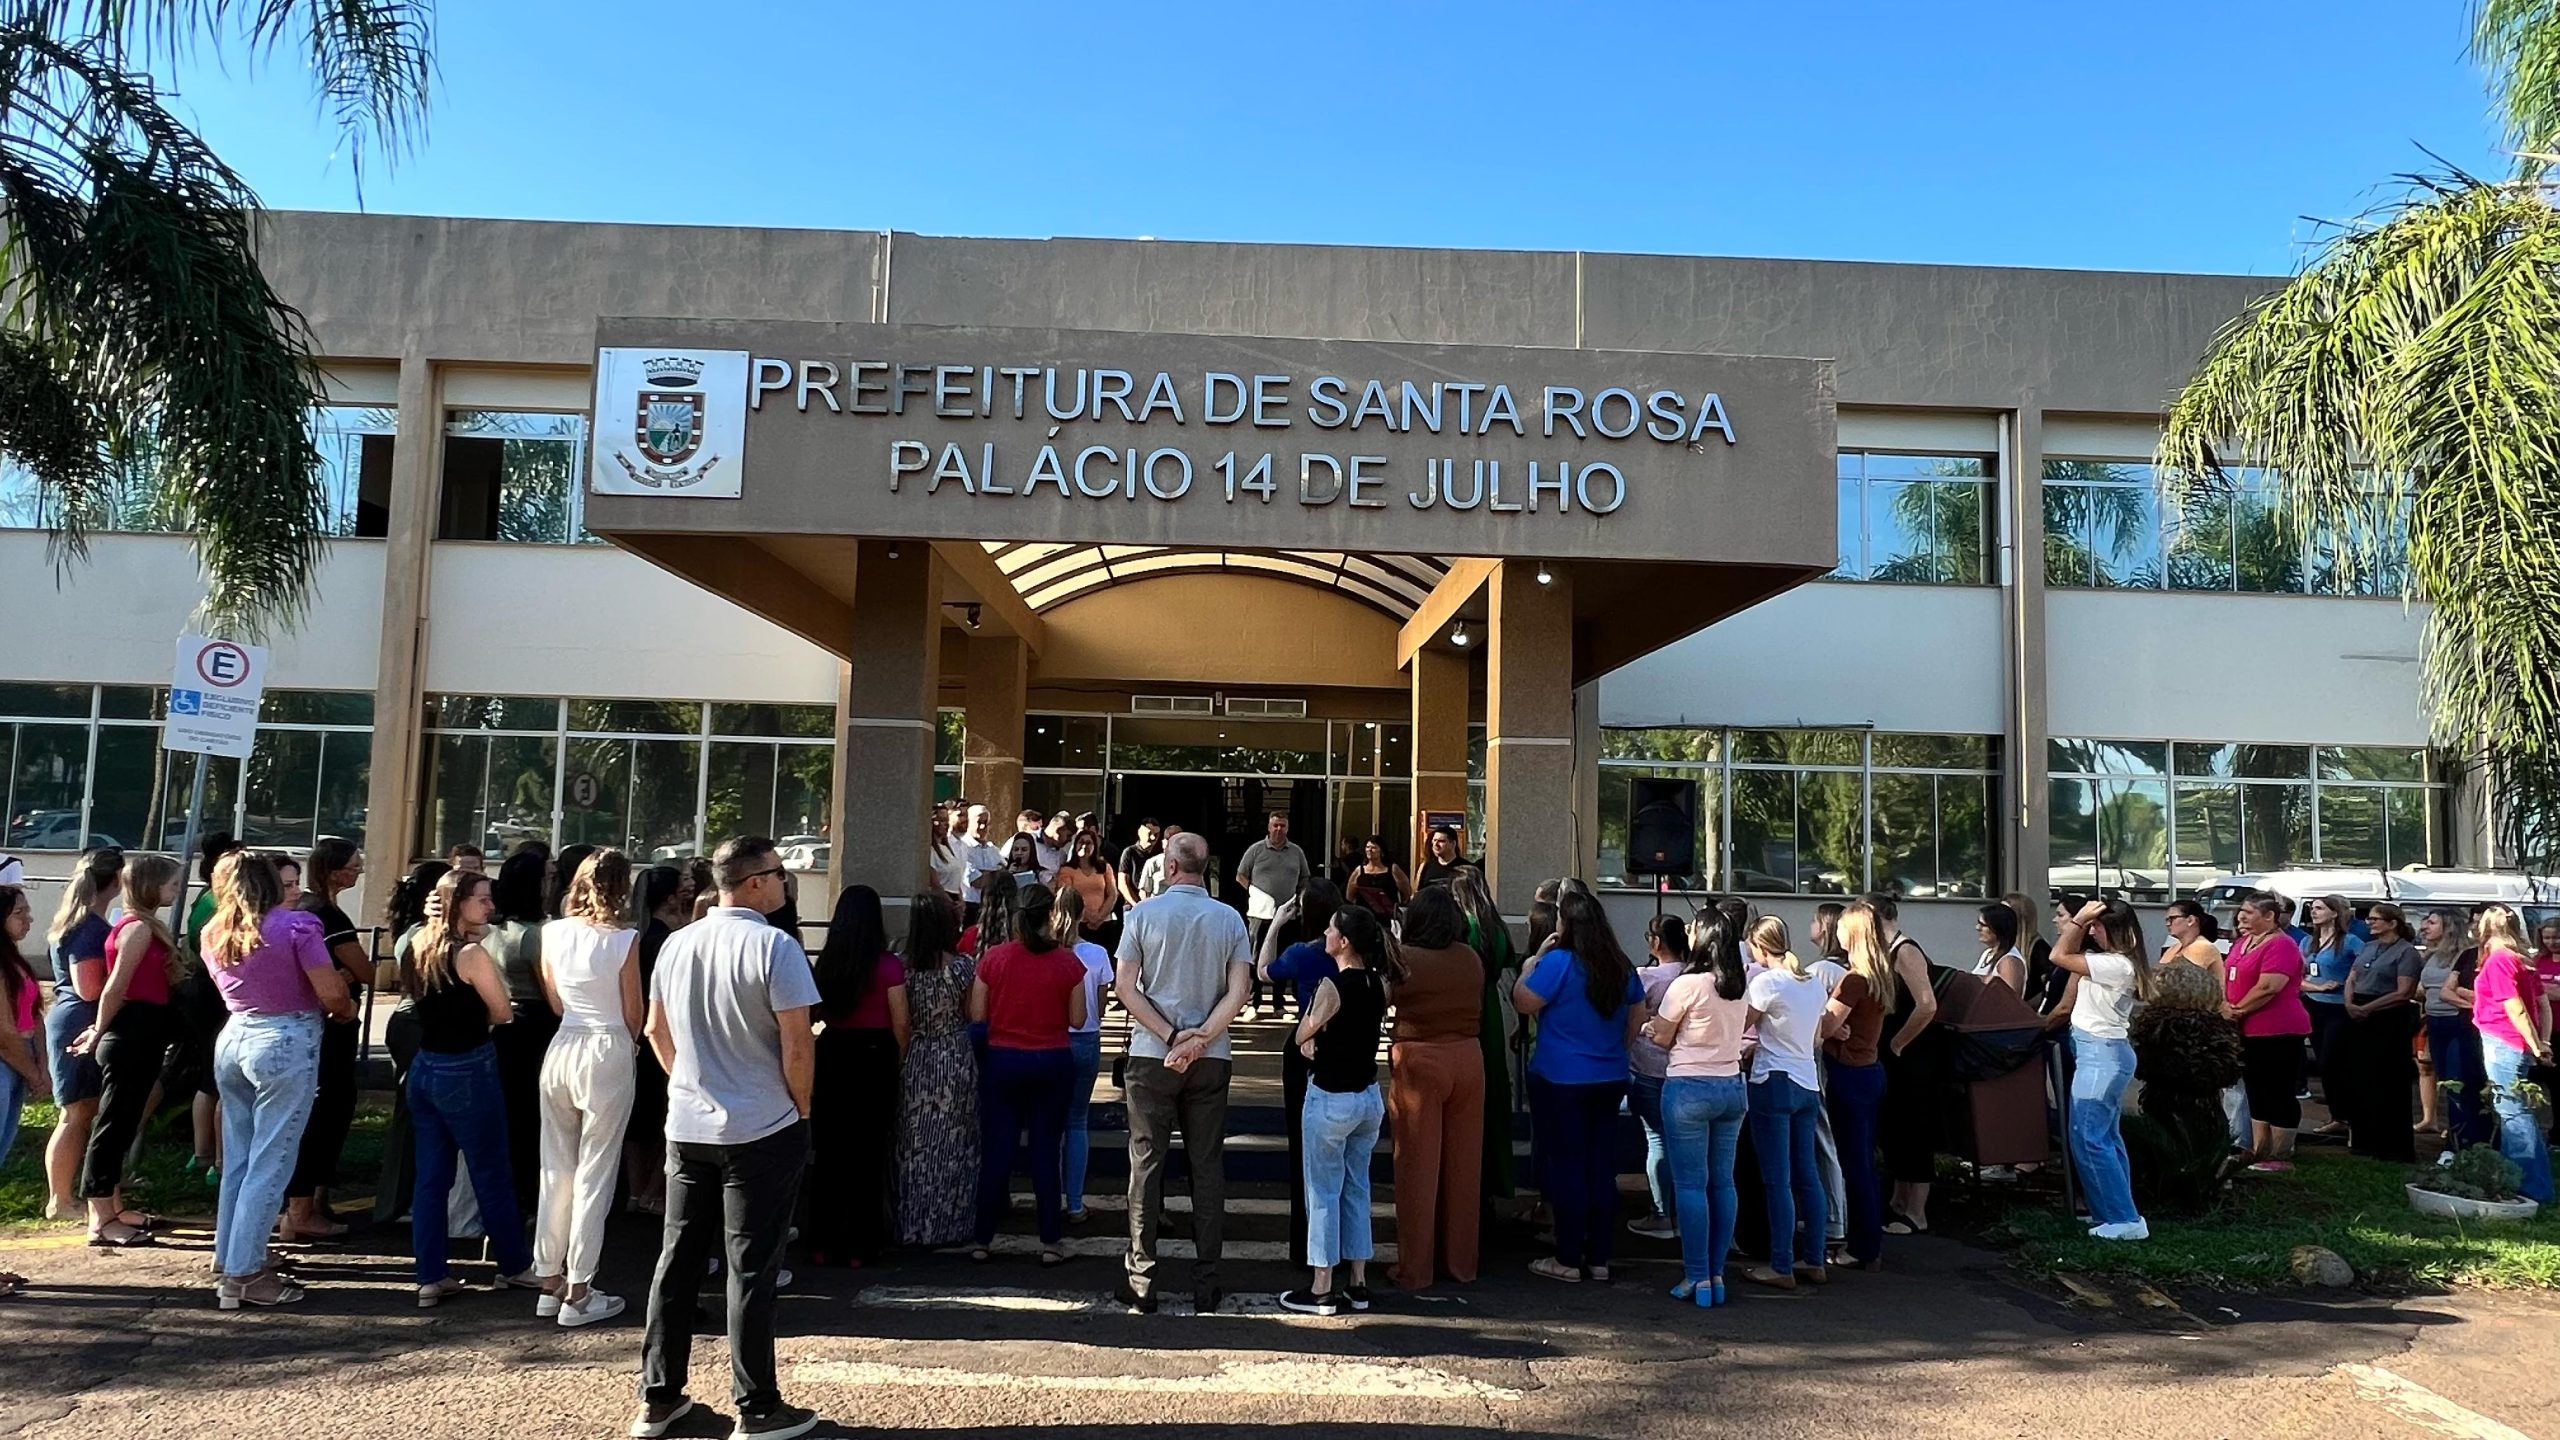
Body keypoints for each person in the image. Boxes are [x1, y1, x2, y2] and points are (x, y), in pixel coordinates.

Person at [637, 836, 822, 1440]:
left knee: (678, 1260)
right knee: (751, 1269)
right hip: (761, 1125)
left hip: (689, 1122)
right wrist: (800, 1108)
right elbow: (798, 1044)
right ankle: (757, 1405)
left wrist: (687, 1081)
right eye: (778, 873)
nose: (785, 882)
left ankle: (659, 1396)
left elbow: (655, 1029)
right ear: (754, 882)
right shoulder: (776, 946)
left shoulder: (677, 943)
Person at [202, 851, 355, 1309]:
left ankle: (231, 1256)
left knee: (240, 1159)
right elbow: (331, 992)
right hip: (286, 1038)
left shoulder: (215, 930)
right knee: (273, 1159)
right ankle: (245, 1273)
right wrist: (344, 1007)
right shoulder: (297, 927)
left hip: (235, 1035)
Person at [1113, 830, 1253, 1313]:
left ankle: (1141, 1278)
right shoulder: (1229, 918)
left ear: (1169, 867)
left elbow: (1125, 987)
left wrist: (1172, 1036)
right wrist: (1202, 1037)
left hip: (1153, 1053)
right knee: (1206, 1164)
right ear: (1205, 868)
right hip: (1211, 1056)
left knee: (1146, 1162)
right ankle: (1207, 1279)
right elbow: (1239, 990)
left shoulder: (1142, 915)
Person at [405, 867, 542, 1305]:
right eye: (482, 899)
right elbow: (503, 1012)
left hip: (425, 1066)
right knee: (491, 1171)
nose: (490, 906)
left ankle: (430, 1275)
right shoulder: (470, 954)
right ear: (458, 903)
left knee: (431, 1179)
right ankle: (514, 1266)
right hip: (467, 1066)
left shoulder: (417, 944)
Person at [532, 849, 643, 1327]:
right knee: (596, 1171)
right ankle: (580, 1288)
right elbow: (633, 1011)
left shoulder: (552, 933)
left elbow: (556, 1001)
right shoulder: (624, 939)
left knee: (555, 1166)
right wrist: (629, 1044)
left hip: (564, 1043)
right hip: (607, 1045)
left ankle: (549, 1278)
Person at [1514, 886, 1645, 1284]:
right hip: (1610, 1075)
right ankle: (1599, 1257)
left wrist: (1532, 963)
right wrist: (1616, 1050)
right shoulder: (1620, 965)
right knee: (1601, 1166)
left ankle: (1568, 1257)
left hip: (1562, 1077)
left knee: (1567, 1165)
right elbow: (1637, 1018)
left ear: (1566, 924)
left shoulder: (1559, 962)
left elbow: (1523, 1002)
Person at [1280, 904, 1395, 1316]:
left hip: (1331, 1095)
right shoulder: (1379, 983)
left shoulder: (1332, 985)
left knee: (1323, 1191)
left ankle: (1322, 1286)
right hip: (1367, 1095)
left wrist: (1313, 1037)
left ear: (1343, 941)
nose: (1325, 934)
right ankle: (1358, 1281)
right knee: (1357, 1187)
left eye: (1331, 929)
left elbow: (1302, 1034)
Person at [969, 882, 1086, 1265]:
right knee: (1045, 1151)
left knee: (997, 1150)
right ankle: (1050, 1241)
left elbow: (977, 1014)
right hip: (1052, 1059)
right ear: (1051, 915)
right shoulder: (1068, 962)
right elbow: (1078, 1018)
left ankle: (983, 1238)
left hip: (1003, 1059)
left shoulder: (994, 958)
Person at [68, 853, 182, 1246]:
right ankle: (100, 1219)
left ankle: (112, 1207)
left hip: (143, 1032)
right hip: (130, 1033)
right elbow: (115, 986)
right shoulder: (137, 929)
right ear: (152, 886)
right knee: (112, 1125)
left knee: (124, 1122)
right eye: (172, 884)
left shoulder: (139, 925)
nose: (177, 890)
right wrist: (97, 1030)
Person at [1647, 908, 1750, 1306]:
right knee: (1723, 1182)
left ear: (1703, 938)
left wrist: (1650, 1028)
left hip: (1688, 1086)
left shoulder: (1687, 984)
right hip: (1731, 1086)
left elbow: (1662, 1036)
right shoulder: (1739, 984)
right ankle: (1717, 1274)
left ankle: (1696, 1276)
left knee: (1691, 1185)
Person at [1385, 886, 1486, 1292]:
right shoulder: (1471, 958)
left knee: (1416, 1167)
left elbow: (1385, 998)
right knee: (1464, 1167)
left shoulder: (1405, 958)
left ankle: (1416, 1268)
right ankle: (1460, 1263)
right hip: (1468, 1058)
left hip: (1419, 1060)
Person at [808, 884, 907, 1268]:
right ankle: (861, 1244)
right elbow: (901, 1022)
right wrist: (898, 1060)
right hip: (875, 1054)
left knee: (830, 1150)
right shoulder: (888, 965)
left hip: (834, 1051)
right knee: (869, 1152)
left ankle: (821, 1239)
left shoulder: (827, 963)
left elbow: (816, 1012)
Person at [1736, 917, 1836, 1289]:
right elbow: (1817, 1038)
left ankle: (1781, 1264)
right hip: (1808, 1082)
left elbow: (1741, 1025)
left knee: (1776, 1179)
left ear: (1760, 947)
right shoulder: (1812, 983)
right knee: (1806, 1175)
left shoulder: (1765, 982)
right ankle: (1814, 1258)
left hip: (1773, 1081)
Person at [282, 838, 369, 1243]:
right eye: (354, 866)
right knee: (329, 1109)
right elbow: (364, 970)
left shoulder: (305, 910)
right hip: (332, 1022)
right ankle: (302, 1207)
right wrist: (346, 981)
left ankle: (309, 1201)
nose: (359, 872)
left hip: (309, 1022)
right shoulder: (324, 916)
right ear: (334, 872)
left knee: (315, 1109)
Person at [2052, 897, 2152, 1241]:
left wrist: (2078, 919)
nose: (2092, 931)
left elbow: (2058, 956)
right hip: (2100, 1052)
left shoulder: (2116, 964)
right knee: (2103, 1136)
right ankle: (2113, 1213)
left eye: (2097, 926)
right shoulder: (2113, 962)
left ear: (2116, 930)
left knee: (2088, 1136)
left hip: (2101, 1054)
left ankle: (2123, 1219)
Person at [1263, 876, 1346, 1265]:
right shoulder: (1354, 952)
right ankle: (1342, 1244)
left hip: (1304, 1044)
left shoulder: (1301, 952)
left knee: (1304, 1149)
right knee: (1342, 1152)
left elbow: (1263, 971)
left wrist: (1276, 923)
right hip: (1345, 1048)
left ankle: (1306, 1244)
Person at [894, 893, 979, 1249]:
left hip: (917, 1053)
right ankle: (951, 1221)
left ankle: (913, 1221)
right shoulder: (962, 967)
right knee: (955, 1140)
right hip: (953, 1054)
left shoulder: (902, 967)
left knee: (914, 1142)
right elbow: (973, 1013)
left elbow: (901, 1020)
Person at [42, 848, 120, 1223]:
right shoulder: (88, 927)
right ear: (116, 881)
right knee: (75, 1113)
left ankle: (67, 1195)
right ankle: (59, 1199)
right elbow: (88, 988)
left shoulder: (75, 920)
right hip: (78, 1021)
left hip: (73, 1018)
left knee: (81, 1111)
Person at [372, 860, 451, 1226]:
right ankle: (397, 1202)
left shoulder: (412, 930)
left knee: (413, 1114)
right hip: (415, 1023)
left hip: (409, 1022)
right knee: (414, 1116)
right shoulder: (422, 935)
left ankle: (397, 1200)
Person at [479, 847, 554, 1218]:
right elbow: (551, 992)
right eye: (547, 878)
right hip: (535, 1023)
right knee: (531, 1116)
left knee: (510, 1114)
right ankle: (528, 1196)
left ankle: (507, 1197)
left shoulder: (491, 932)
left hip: (503, 1026)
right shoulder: (534, 935)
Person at [1824, 905, 1894, 1273]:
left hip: (1848, 1073)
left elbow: (1824, 1025)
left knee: (1855, 1165)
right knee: (1864, 1161)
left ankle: (1863, 1247)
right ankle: (1868, 1242)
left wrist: (1828, 1024)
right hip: (1870, 1071)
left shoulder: (1853, 980)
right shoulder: (1879, 975)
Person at [2470, 903, 2554, 1204]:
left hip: (2503, 1041)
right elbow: (2543, 1005)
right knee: (2514, 1110)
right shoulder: (2522, 960)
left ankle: (2528, 1187)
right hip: (2515, 1043)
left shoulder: (2499, 960)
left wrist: (2536, 1045)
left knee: (2512, 1112)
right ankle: (2519, 1180)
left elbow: (2515, 1007)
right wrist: (2543, 1041)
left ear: (2483, 929)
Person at [623, 864, 694, 1215]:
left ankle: (635, 1192)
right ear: (669, 898)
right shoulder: (667, 941)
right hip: (664, 1033)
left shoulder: (635, 936)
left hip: (634, 1035)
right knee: (663, 1118)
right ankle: (653, 1193)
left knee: (638, 1121)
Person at [1871, 894, 1943, 1236]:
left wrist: (1899, 1042)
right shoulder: (1887, 951)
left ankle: (1917, 1211)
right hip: (1895, 1056)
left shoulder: (1906, 951)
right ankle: (1899, 1202)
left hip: (1913, 1057)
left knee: (1915, 1128)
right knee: (1897, 1128)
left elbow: (1927, 1004)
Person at [2224, 892, 2311, 1172]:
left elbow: (2269, 986)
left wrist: (2238, 1009)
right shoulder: (2243, 942)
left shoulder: (2282, 944)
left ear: (2269, 916)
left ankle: (2280, 1153)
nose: (2241, 917)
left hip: (2278, 1029)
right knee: (2256, 1090)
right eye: (2241, 911)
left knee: (2278, 1090)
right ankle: (2260, 1149)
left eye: (2249, 912)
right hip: (2247, 1029)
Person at [175, 833, 245, 1183]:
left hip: (203, 988)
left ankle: (202, 1153)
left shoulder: (204, 897)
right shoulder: (222, 906)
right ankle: (216, 1158)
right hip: (215, 991)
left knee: (209, 1073)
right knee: (218, 1077)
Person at [1448, 867, 1519, 1202]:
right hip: (1491, 1007)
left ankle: (1467, 1182)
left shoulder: (1464, 928)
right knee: (1493, 1090)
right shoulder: (1496, 925)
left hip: (1466, 1005)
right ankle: (1497, 1178)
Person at [2340, 902, 2422, 1163]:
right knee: (2360, 1077)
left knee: (2388, 1080)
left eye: (2375, 919)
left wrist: (2368, 1008)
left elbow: (2404, 991)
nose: (2369, 922)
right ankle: (2364, 1139)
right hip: (2359, 1011)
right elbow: (2352, 977)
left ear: (2392, 923)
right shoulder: (2369, 946)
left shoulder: (2406, 952)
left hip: (2387, 1017)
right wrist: (2349, 1003)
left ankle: (2391, 1145)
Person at [1625, 913, 1688, 1241]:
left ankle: (1662, 1213)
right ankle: (1681, 1212)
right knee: (1682, 1142)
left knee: (1657, 1139)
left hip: (1647, 1066)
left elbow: (1630, 1016)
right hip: (1682, 1067)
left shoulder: (1645, 977)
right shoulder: (1693, 975)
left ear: (1655, 942)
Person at [1058, 888, 1115, 1224]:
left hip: (1052, 1039)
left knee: (1050, 1122)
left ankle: (1050, 1198)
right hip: (1086, 1039)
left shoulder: (1049, 953)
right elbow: (1102, 1006)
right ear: (1082, 914)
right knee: (1077, 1121)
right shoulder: (1097, 954)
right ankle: (1075, 1203)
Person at [0, 883, 45, 1296]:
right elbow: (4, 1034)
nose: (28, 918)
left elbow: (34, 1016)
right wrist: (32, 1072)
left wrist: (42, 1067)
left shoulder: (16, 961)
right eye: (19, 913)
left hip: (20, 1062)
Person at [2419, 908, 2491, 1148]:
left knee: (2459, 1081)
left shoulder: (2465, 954)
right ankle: (2456, 1133)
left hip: (2458, 1022)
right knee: (2446, 1081)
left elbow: (2463, 990)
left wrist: (2460, 997)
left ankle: (2464, 1139)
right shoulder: (2433, 954)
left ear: (2449, 926)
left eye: (2432, 922)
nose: (2425, 926)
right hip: (2435, 1021)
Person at [1235, 812, 1312, 1018]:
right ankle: (1254, 1003)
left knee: (1283, 958)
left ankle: (1279, 1004)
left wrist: (1299, 898)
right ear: (1269, 827)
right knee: (1255, 956)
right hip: (1260, 914)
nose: (1279, 829)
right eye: (1275, 825)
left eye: (1282, 826)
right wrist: (1253, 891)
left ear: (1288, 828)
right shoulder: (1256, 849)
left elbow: (1305, 877)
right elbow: (1240, 875)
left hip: (1287, 915)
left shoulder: (1296, 852)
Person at [2300, 893, 2362, 1138]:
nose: (2314, 912)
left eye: (2320, 908)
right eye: (2312, 908)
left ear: (2334, 913)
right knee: (2322, 1061)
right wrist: (2315, 987)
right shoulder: (2308, 942)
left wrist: (2347, 986)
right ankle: (2337, 1116)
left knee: (2332, 1060)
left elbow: (2365, 968)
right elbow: (2298, 974)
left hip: (2338, 1007)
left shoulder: (2350, 941)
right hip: (2313, 1003)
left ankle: (2349, 1115)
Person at [1058, 830, 1118, 951]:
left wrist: (1099, 917)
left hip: (1104, 923)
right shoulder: (1066, 870)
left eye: (1089, 843)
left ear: (1095, 846)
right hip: (1079, 924)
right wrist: (1089, 916)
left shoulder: (1104, 867)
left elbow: (1113, 894)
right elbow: (1068, 896)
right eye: (1081, 842)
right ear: (1075, 845)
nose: (1084, 846)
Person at [1345, 836, 1409, 920]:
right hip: (1364, 917)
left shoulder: (1393, 869)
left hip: (1387, 917)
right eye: (1367, 847)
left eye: (1373, 848)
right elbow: (1350, 896)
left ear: (1381, 851)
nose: (1369, 850)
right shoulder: (1359, 870)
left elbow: (1406, 891)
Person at [1972, 903, 2025, 994]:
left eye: (1983, 925)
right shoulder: (1987, 953)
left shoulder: (2009, 961)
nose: (1977, 928)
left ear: (1998, 928)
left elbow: (2010, 998)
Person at [1115, 818, 1163, 914]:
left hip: (1155, 907)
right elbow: (1122, 884)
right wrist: (1137, 905)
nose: (1153, 838)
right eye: (1149, 834)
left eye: (1156, 835)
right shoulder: (1129, 852)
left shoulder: (1159, 855)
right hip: (1132, 907)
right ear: (1140, 832)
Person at [1415, 825, 1466, 892]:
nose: (1436, 844)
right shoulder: (1425, 867)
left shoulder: (1466, 868)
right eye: (1434, 840)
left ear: (1453, 844)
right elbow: (1417, 893)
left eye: (1441, 841)